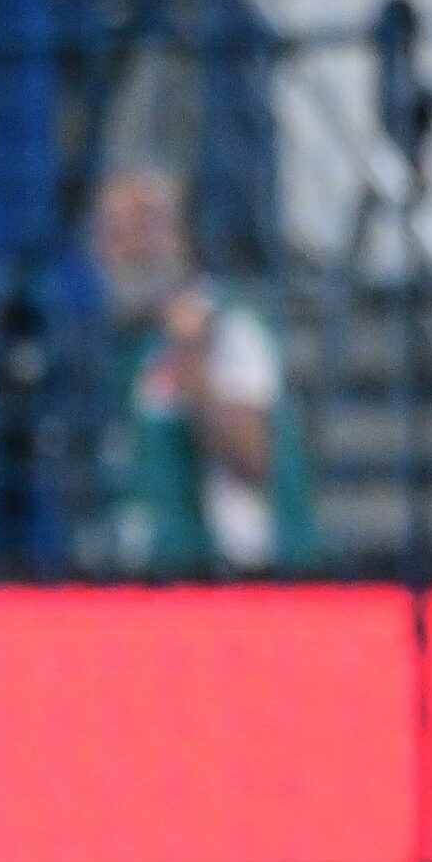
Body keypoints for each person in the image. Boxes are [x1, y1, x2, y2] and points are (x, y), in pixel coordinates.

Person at [91, 166, 318, 576]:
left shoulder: (229, 327)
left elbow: (252, 459)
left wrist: (191, 360)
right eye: (116, 231)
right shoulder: (119, 346)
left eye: (147, 226)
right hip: (143, 587)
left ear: (180, 235)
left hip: (236, 583)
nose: (132, 247)